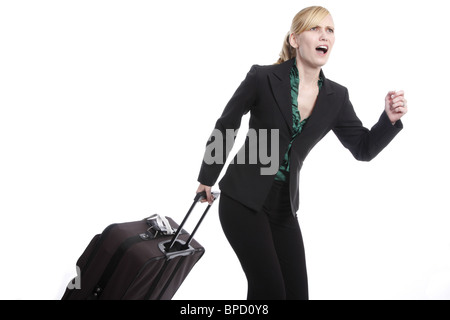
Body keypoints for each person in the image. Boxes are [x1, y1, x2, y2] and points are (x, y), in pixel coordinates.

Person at [195, 6, 407, 300]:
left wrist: (389, 121)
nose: (325, 36)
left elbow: (363, 148)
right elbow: (228, 124)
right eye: (315, 29)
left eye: (330, 30)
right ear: (295, 40)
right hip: (242, 199)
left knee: (296, 295)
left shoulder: (336, 96)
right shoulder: (264, 78)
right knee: (269, 291)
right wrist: (207, 176)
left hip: (284, 207)